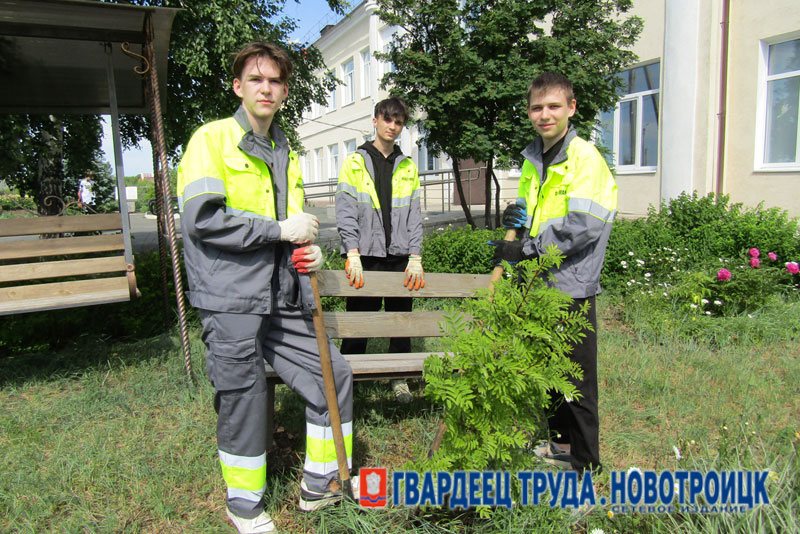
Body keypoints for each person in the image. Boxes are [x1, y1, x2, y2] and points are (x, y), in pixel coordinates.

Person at [177, 42, 356, 534]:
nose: (266, 88)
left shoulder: (285, 152)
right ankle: (245, 505)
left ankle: (321, 484)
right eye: (256, 79)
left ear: (284, 91)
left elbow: (297, 221)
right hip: (229, 296)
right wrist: (279, 231)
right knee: (245, 394)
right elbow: (202, 219)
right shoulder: (209, 141)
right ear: (239, 86)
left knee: (333, 374)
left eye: (275, 81)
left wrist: (311, 250)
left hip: (283, 293)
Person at [491, 72, 617, 475]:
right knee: (548, 372)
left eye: (553, 106)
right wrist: (516, 222)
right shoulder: (533, 160)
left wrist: (525, 248)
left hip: (573, 286)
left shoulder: (585, 158)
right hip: (538, 286)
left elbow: (582, 225)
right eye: (536, 107)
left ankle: (586, 468)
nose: (544, 115)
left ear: (571, 109)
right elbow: (530, 214)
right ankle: (560, 445)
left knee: (577, 383)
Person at [335, 97, 424, 404]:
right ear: (375, 121)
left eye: (398, 122)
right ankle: (349, 378)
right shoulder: (354, 162)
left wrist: (416, 256)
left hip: (400, 259)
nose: (392, 127)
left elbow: (414, 215)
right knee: (358, 321)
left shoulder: (408, 167)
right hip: (365, 258)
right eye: (387, 120)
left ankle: (399, 378)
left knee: (401, 321)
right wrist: (352, 252)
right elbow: (345, 212)